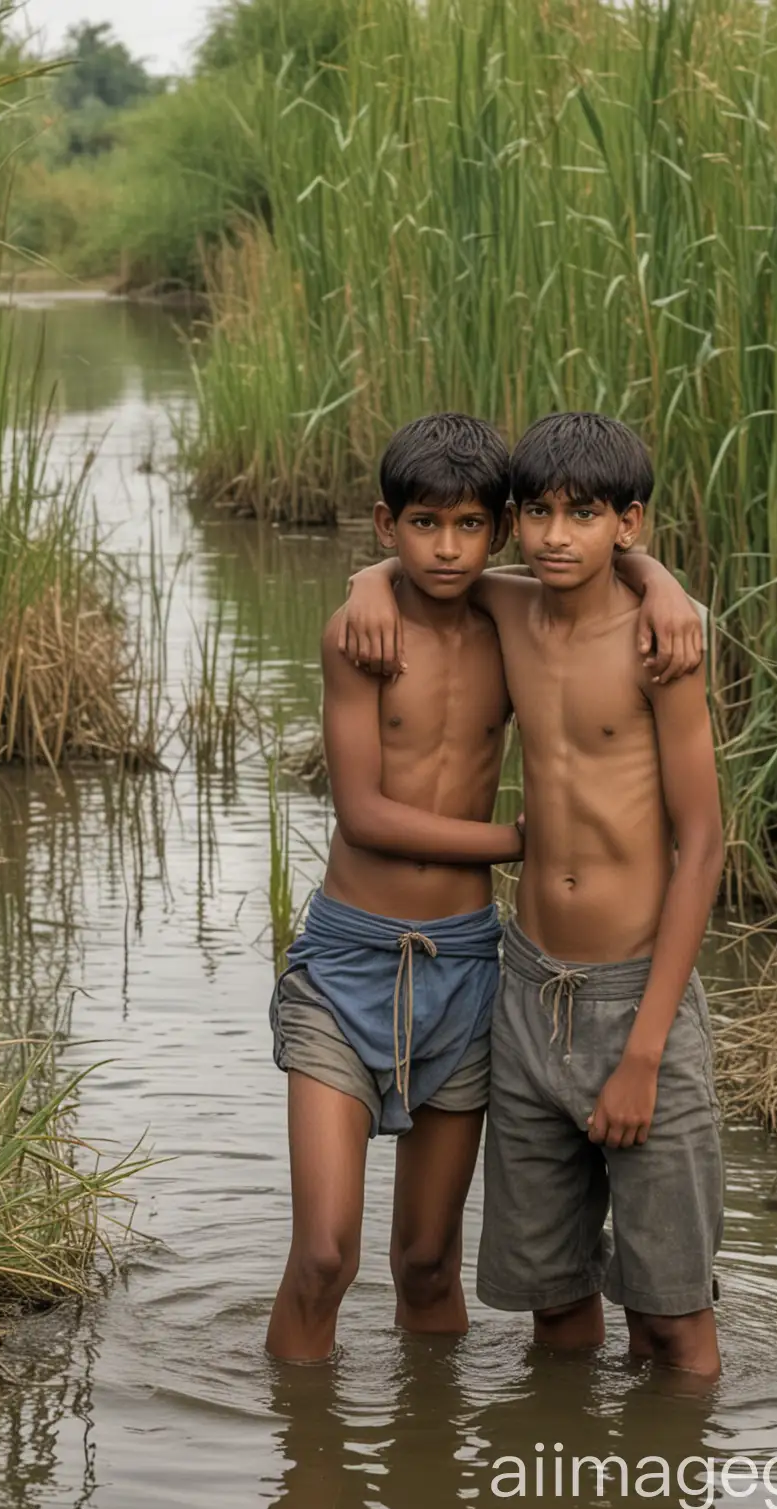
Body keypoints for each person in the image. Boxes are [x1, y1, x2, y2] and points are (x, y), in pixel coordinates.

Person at [267, 412, 703, 1362]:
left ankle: (435, 1471)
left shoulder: (512, 620)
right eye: (424, 528)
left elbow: (591, 570)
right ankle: (301, 1462)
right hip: (347, 958)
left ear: (494, 532)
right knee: (326, 1254)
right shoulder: (361, 630)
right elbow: (361, 814)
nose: (449, 547)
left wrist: (663, 580)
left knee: (428, 1261)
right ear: (389, 526)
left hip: (469, 966)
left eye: (471, 527)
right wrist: (512, 839)